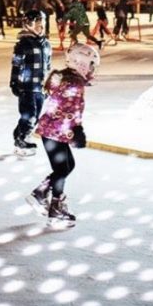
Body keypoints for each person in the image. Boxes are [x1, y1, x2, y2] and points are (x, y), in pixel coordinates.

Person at [27, 43, 99, 227]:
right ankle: (55, 207)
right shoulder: (74, 83)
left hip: (52, 131)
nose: (92, 70)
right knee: (62, 169)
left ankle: (41, 193)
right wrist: (76, 130)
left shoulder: (67, 78)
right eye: (91, 65)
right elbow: (71, 110)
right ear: (80, 63)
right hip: (55, 132)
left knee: (68, 165)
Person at [10, 9, 52, 156]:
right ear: (28, 24)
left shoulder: (46, 44)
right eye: (37, 22)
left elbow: (48, 65)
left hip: (40, 87)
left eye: (43, 22)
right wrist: (14, 82)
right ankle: (22, 140)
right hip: (26, 86)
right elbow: (16, 64)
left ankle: (19, 135)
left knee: (36, 115)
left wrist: (49, 83)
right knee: (29, 115)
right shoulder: (23, 44)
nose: (41, 25)